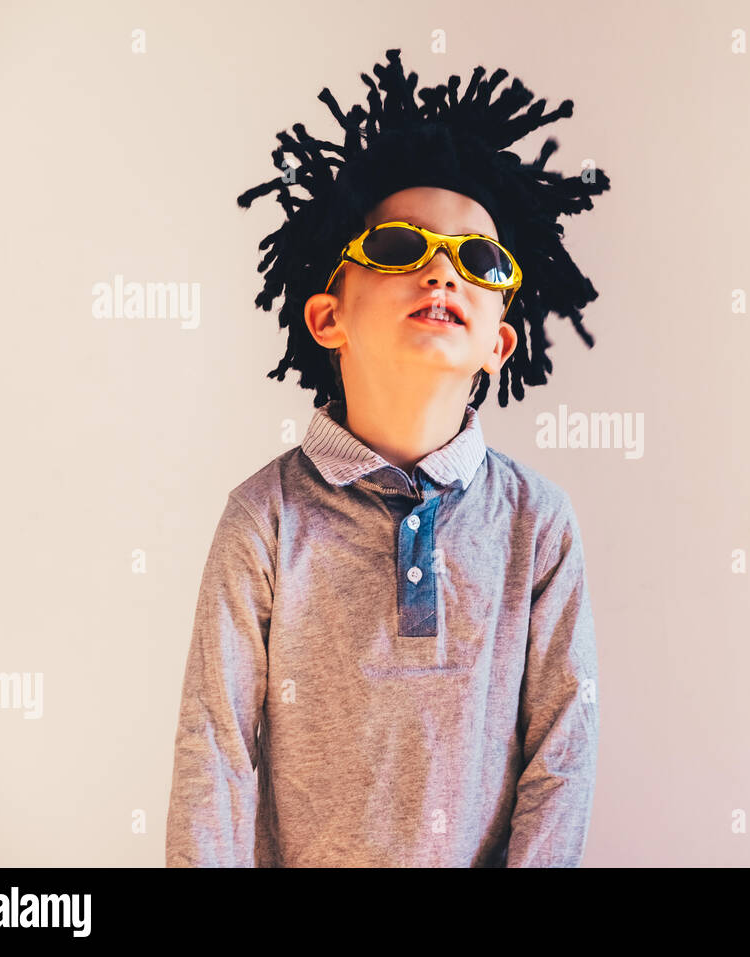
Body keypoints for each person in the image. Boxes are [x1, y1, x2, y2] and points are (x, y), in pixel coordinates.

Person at [164, 48, 610, 866]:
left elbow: (563, 757)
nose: (443, 267)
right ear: (328, 317)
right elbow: (216, 752)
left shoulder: (538, 523)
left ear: (499, 343)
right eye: (401, 245)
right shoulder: (265, 517)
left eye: (480, 261)